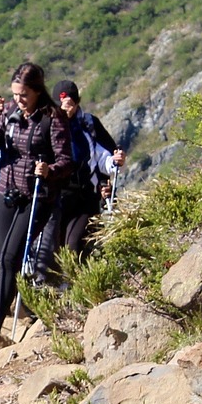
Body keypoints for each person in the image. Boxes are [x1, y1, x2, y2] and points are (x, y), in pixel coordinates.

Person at [0, 62, 74, 338]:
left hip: (37, 196)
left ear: (38, 91)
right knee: (4, 256)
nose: (18, 99)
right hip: (8, 191)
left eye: (24, 95)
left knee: (10, 256)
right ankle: (1, 318)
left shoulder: (53, 118)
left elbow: (66, 161)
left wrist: (49, 170)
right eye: (15, 94)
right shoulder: (9, 112)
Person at [51, 80, 125, 270]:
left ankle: (75, 290)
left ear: (77, 102)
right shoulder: (48, 127)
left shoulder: (88, 124)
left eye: (70, 103)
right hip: (56, 197)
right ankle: (55, 292)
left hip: (85, 196)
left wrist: (114, 163)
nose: (67, 108)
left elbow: (104, 155)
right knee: (53, 249)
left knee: (74, 245)